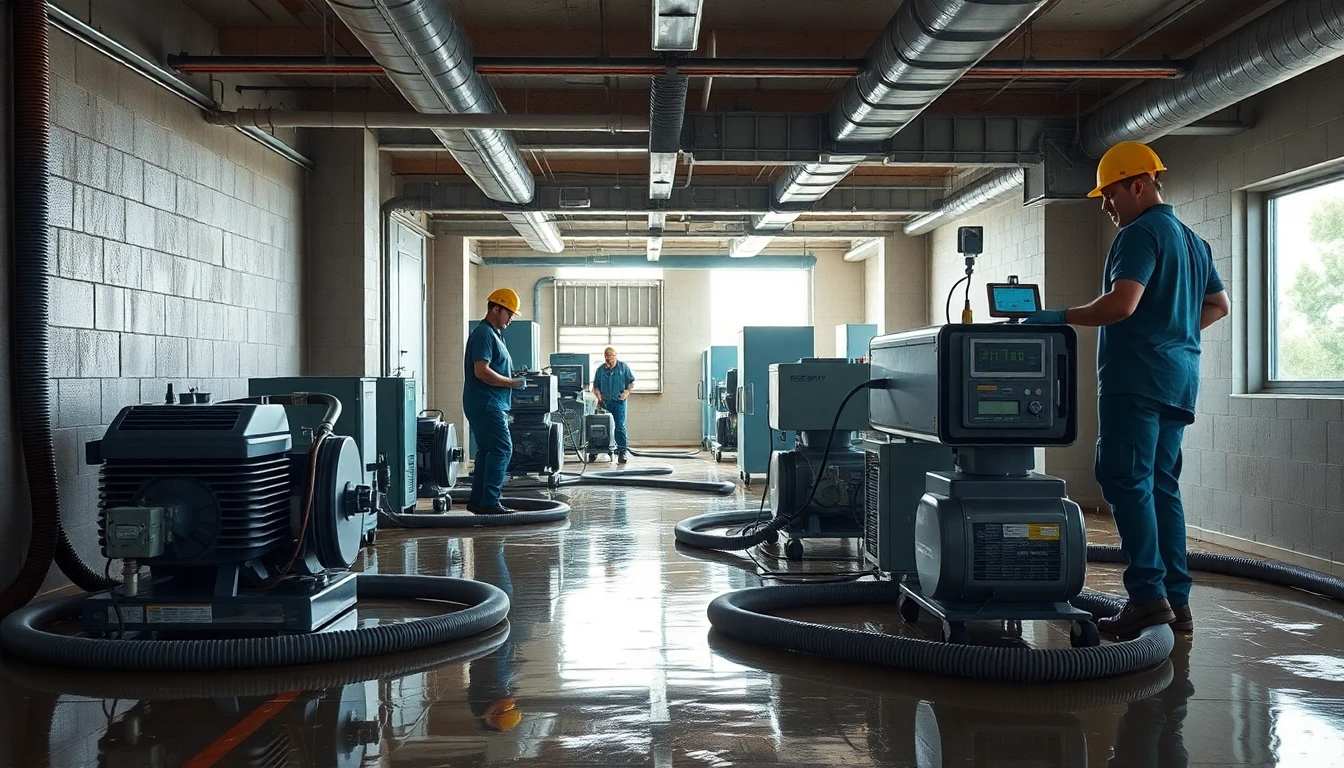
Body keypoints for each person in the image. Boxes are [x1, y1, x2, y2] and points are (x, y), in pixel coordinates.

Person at [1025, 141, 1230, 637]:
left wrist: (1059, 317)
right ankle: (1176, 602)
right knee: (1161, 487)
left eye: (1110, 194)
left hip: (1135, 380)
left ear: (1138, 185)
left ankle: (1147, 598)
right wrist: (1171, 335)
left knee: (1125, 479)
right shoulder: (1194, 241)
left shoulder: (1140, 234)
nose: (1106, 206)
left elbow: (1121, 304)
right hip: (1179, 380)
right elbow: (1218, 305)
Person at [463, 288, 526, 515]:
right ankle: (490, 502)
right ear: (496, 309)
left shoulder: (494, 335)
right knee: (502, 449)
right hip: (488, 404)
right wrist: (511, 383)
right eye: (509, 313)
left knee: (487, 451)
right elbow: (481, 371)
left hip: (487, 403)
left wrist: (511, 377)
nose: (511, 319)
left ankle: (478, 501)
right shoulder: (484, 334)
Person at [592, 346, 636, 464]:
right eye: (606, 357)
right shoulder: (600, 370)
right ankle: (595, 451)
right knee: (600, 427)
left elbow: (631, 382)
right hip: (604, 403)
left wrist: (627, 392)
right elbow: (595, 386)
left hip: (619, 402)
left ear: (615, 356)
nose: (608, 359)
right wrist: (598, 395)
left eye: (611, 356)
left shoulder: (623, 367)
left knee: (619, 426)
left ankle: (622, 452)